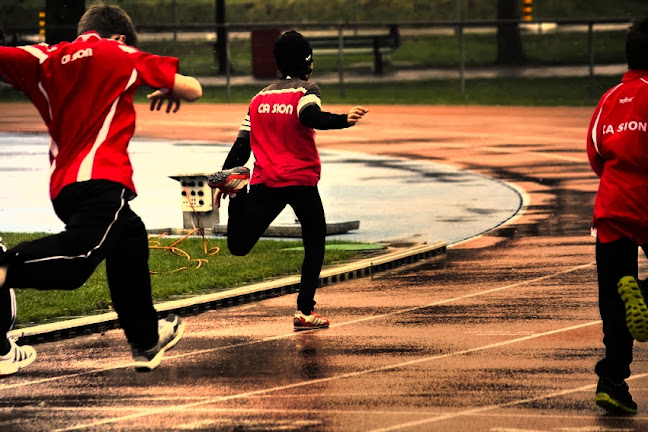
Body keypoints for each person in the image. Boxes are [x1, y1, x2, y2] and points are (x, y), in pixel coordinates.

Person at [0, 2, 202, 376]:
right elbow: (193, 89)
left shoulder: (44, 57)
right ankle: (2, 268)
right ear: (121, 36)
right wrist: (170, 89)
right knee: (78, 260)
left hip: (64, 188)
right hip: (103, 181)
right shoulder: (121, 52)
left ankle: (145, 340)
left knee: (130, 236)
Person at [208, 30, 368, 331]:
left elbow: (242, 144)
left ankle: (238, 194)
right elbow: (309, 117)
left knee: (240, 245)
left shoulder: (258, 99)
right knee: (315, 239)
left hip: (265, 180)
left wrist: (228, 174)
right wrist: (343, 120)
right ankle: (305, 311)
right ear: (307, 62)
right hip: (299, 180)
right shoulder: (307, 90)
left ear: (278, 64)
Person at [586, 16, 648, 415]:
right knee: (634, 299)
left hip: (612, 207)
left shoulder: (610, 97)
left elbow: (595, 152)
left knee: (613, 300)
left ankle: (612, 381)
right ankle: (646, 294)